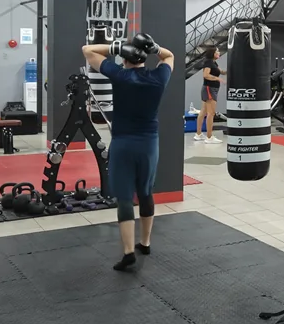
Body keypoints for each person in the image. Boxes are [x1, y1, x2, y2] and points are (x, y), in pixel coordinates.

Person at [82, 33, 173, 272]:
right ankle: (146, 243)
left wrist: (116, 47)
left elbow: (87, 50)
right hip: (149, 144)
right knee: (146, 192)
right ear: (145, 56)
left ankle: (129, 252)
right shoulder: (159, 77)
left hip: (123, 144)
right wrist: (156, 48)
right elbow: (169, 56)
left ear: (125, 57)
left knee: (124, 197)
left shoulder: (120, 75)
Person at [195, 45, 225, 144]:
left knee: (203, 111)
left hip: (211, 89)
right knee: (211, 113)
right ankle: (209, 137)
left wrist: (230, 70)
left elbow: (221, 71)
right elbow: (206, 75)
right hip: (209, 89)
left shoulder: (213, 63)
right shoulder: (208, 62)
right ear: (213, 53)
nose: (219, 53)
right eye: (217, 51)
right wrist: (217, 78)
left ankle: (198, 134)